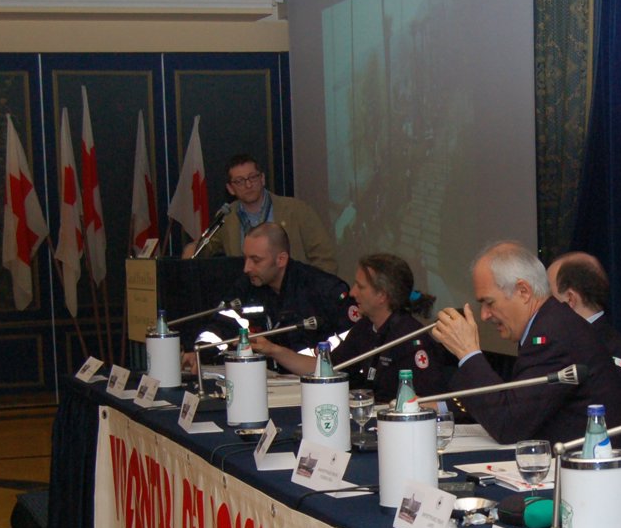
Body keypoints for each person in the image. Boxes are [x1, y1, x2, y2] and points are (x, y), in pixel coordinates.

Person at [431, 241, 621, 448]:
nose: (484, 315)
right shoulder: (549, 324)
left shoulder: (554, 335)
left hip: (595, 472)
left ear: (523, 291)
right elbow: (516, 409)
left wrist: (468, 353)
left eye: (489, 303)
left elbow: (508, 425)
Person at [253, 252, 451, 401]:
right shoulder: (365, 328)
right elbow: (327, 369)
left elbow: (431, 403)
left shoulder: (410, 339)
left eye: (361, 286)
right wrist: (273, 350)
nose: (353, 292)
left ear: (382, 295)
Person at [208, 223, 353, 356]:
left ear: (281, 260)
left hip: (317, 376)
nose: (247, 268)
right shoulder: (248, 284)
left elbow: (353, 337)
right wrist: (204, 349)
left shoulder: (323, 288)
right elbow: (222, 322)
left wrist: (321, 355)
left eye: (256, 260)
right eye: (245, 259)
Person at [181, 153, 338, 276]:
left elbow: (325, 259)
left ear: (262, 178)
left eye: (253, 177)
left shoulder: (296, 210)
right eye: (240, 181)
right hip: (248, 298)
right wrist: (193, 248)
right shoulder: (227, 217)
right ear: (230, 188)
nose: (248, 185)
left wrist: (310, 293)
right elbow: (206, 246)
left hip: (293, 296)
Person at [547, 251, 621, 413]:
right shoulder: (559, 342)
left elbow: (605, 415)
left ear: (570, 299)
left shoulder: (615, 350)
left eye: (550, 296)